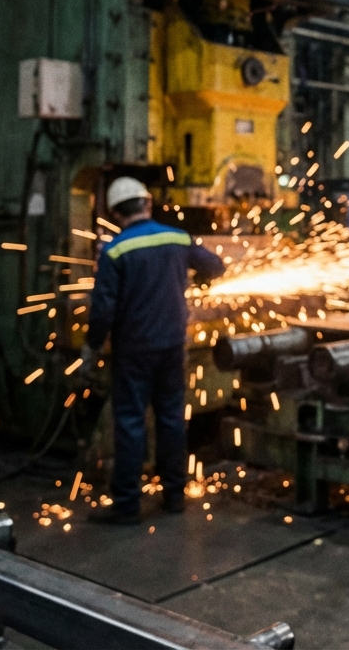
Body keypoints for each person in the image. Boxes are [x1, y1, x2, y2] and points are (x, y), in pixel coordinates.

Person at [84, 177, 225, 524]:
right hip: (173, 345)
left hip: (133, 350)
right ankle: (174, 495)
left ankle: (128, 505)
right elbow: (217, 267)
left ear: (117, 212)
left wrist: (90, 346)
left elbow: (102, 308)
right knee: (171, 418)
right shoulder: (177, 237)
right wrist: (202, 279)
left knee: (131, 423)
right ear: (147, 203)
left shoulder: (115, 250)